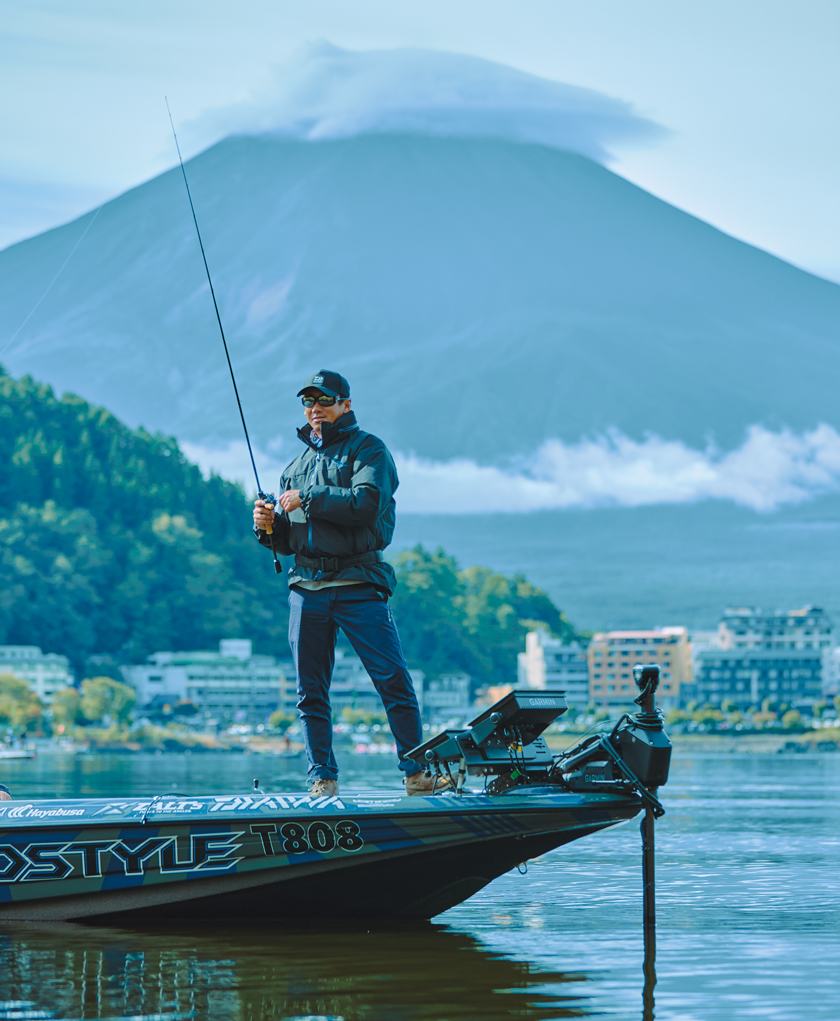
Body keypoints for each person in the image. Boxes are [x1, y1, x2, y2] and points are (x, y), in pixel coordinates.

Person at [253, 370, 449, 798]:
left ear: (345, 404)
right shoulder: (294, 468)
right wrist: (267, 527)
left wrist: (309, 497)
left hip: (360, 581)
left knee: (392, 679)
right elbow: (287, 541)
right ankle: (322, 780)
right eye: (308, 403)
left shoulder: (370, 450)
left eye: (323, 401)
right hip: (306, 588)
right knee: (310, 693)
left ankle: (417, 774)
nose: (315, 409)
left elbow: (366, 505)